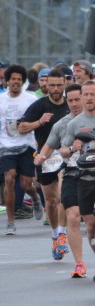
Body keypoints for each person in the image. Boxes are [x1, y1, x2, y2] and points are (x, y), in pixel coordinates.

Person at [34, 84, 87, 277]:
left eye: (77, 99)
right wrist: (40, 157)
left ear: (86, 98)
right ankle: (60, 235)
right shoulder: (62, 124)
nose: (74, 104)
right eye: (70, 100)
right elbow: (47, 149)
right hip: (69, 166)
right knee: (58, 199)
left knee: (91, 219)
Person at [59, 81, 95, 280]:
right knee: (90, 225)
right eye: (85, 95)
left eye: (92, 94)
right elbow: (63, 150)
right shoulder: (75, 123)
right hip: (85, 175)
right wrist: (73, 148)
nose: (88, 98)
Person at [19, 69, 70, 260]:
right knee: (51, 200)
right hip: (45, 156)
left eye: (59, 85)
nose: (56, 89)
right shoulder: (39, 105)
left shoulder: (70, 104)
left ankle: (63, 234)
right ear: (46, 85)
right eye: (52, 85)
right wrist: (39, 122)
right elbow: (21, 127)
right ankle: (56, 235)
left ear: (64, 84)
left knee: (64, 195)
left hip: (66, 155)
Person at [0, 65, 44, 235]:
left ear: (23, 82)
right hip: (5, 145)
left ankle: (34, 198)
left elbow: (40, 119)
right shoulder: (2, 100)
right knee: (9, 178)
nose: (16, 82)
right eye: (13, 79)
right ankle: (10, 222)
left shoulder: (30, 99)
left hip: (26, 144)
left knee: (26, 185)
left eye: (19, 79)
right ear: (7, 81)